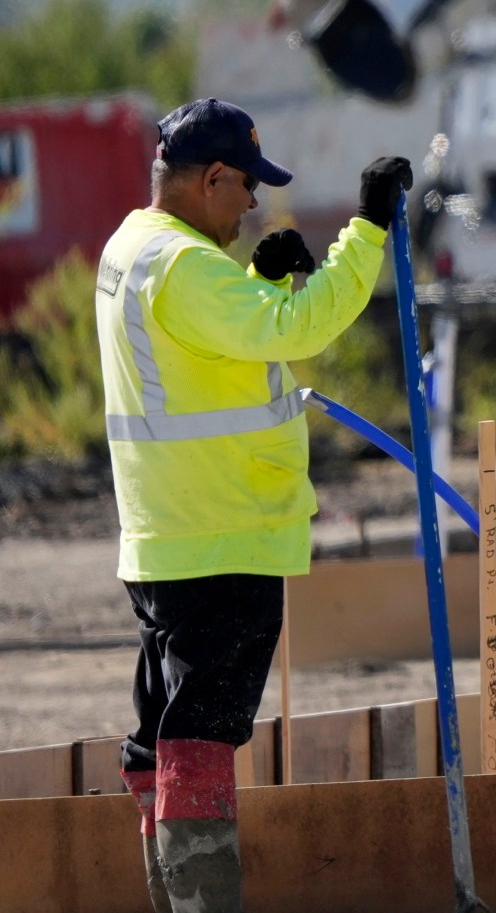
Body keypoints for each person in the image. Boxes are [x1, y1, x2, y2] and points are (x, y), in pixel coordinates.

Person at [97, 98, 409, 913]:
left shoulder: (133, 247)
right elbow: (301, 329)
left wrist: (258, 282)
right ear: (212, 180)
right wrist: (367, 231)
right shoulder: (187, 267)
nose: (252, 207)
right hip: (221, 534)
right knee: (201, 732)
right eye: (245, 191)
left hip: (163, 538)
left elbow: (202, 352)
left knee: (162, 730)